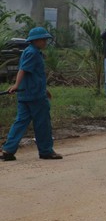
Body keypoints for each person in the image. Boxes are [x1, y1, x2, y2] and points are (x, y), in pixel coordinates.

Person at [1, 27, 63, 161]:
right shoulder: (33, 53)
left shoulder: (29, 51)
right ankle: (46, 151)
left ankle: (8, 150)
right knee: (42, 123)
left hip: (26, 94)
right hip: (35, 95)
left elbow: (33, 75)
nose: (45, 42)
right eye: (44, 40)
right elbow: (23, 70)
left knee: (20, 122)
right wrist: (16, 85)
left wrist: (44, 89)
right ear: (36, 40)